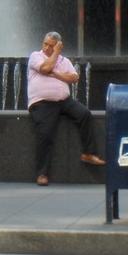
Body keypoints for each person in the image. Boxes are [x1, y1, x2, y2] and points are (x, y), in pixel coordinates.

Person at [27, 31, 105, 186]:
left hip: (64, 100)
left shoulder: (65, 61)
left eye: (52, 46)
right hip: (42, 102)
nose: (48, 48)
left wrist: (55, 73)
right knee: (45, 133)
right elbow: (44, 68)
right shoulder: (36, 56)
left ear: (59, 46)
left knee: (84, 114)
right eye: (46, 44)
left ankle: (89, 153)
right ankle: (42, 174)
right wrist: (55, 55)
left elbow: (74, 78)